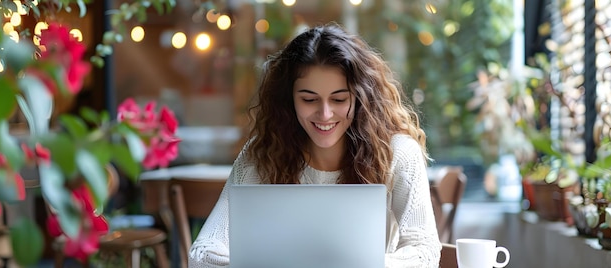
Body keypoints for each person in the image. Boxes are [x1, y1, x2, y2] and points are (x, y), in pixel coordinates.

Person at [189, 23, 441, 267]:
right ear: (289, 100)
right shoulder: (264, 152)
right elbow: (202, 254)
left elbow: (425, 251)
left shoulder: (398, 152)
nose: (325, 114)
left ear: (361, 97)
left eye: (339, 99)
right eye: (309, 99)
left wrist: (359, 265)